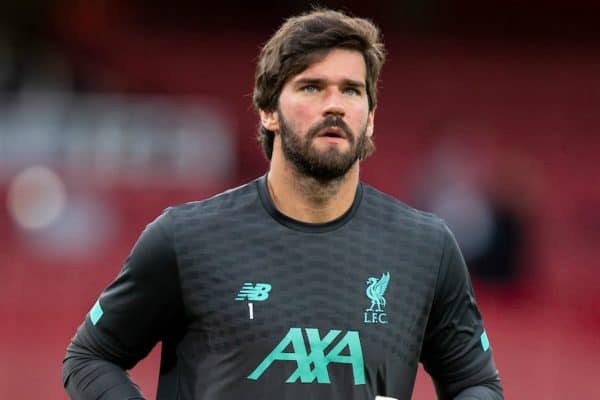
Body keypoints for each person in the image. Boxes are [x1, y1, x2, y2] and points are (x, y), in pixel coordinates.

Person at [62, 8, 503, 400]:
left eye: (351, 91)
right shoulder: (185, 238)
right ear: (268, 111)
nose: (335, 105)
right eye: (312, 87)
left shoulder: (426, 249)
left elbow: (476, 384)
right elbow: (89, 358)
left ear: (370, 118)